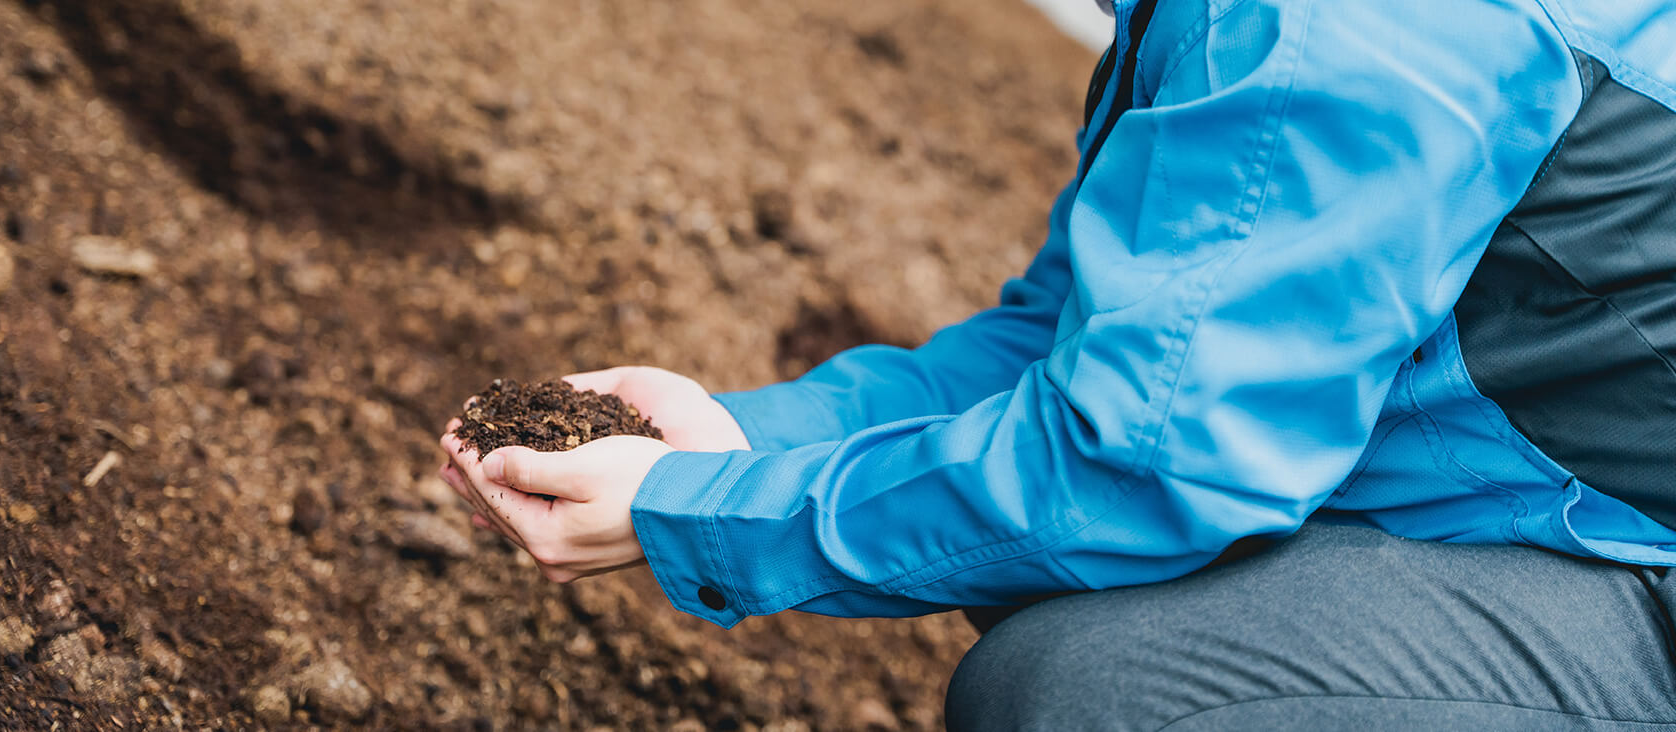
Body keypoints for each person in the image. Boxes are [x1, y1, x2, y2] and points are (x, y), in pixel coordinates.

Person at [440, 0, 1676, 728]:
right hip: (1568, 520)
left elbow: (1135, 465)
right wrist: (746, 441)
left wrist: (700, 515)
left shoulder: (1343, 33)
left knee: (1107, 693)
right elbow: (1094, 339)